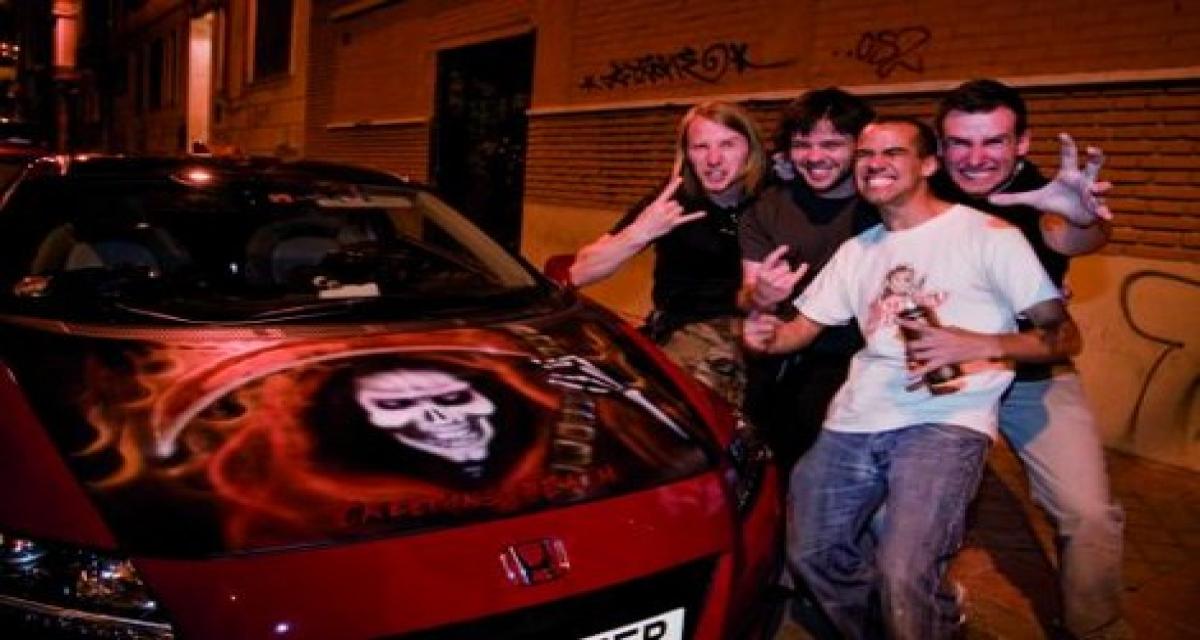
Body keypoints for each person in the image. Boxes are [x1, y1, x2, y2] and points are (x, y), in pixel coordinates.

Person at [744, 117, 1076, 639]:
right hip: (854, 420)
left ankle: (920, 618)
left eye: (893, 153)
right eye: (866, 155)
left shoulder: (988, 235)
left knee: (904, 572)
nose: (874, 164)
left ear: (928, 164)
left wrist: (981, 344)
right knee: (812, 554)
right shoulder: (858, 250)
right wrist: (762, 324)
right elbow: (795, 332)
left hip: (945, 420)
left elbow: (1063, 336)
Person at [933, 78, 1127, 639]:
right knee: (905, 504)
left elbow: (1071, 237)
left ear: (1021, 143)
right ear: (940, 146)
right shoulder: (923, 188)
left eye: (993, 141)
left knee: (1088, 513)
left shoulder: (1045, 195)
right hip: (942, 374)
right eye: (960, 143)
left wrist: (1085, 218)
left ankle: (1097, 629)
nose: (975, 158)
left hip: (1032, 371)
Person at [570, 101, 768, 407]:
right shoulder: (675, 198)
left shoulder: (772, 194)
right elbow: (580, 272)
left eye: (727, 144)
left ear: (750, 149)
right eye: (700, 147)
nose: (713, 159)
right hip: (684, 333)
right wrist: (641, 232)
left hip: (758, 330)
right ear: (686, 154)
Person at [738, 87, 878, 468]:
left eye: (832, 144)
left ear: (860, 146)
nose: (815, 157)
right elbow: (748, 295)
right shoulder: (766, 209)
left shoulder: (885, 205)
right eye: (802, 145)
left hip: (868, 357)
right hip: (791, 353)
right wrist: (761, 295)